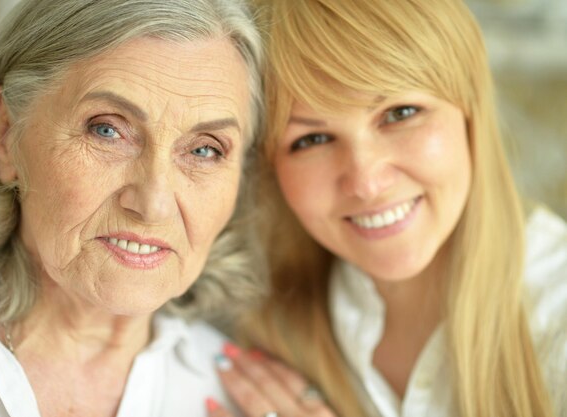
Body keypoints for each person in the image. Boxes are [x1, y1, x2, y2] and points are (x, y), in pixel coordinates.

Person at [207, 0, 567, 416]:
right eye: (311, 140)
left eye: (400, 113)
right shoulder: (253, 325)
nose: (366, 183)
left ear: (471, 111)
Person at [0, 0, 264, 416]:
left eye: (204, 150)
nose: (153, 204)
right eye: (107, 129)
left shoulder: (238, 398)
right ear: (7, 134)